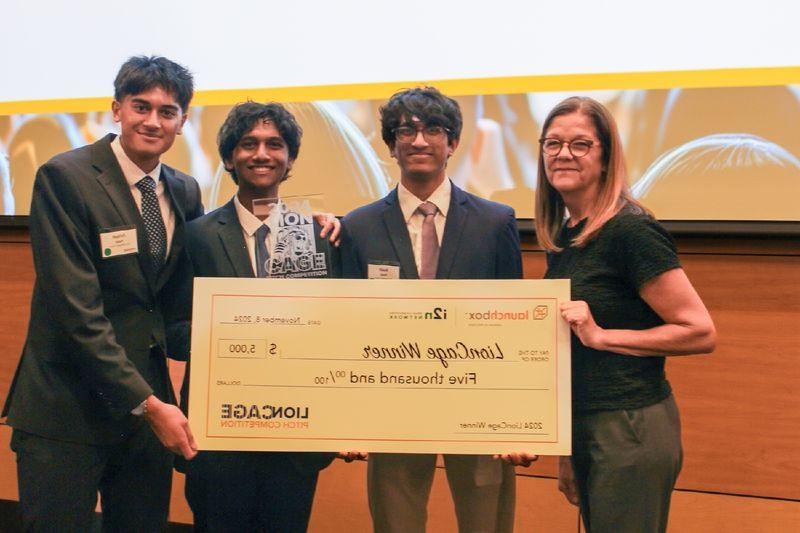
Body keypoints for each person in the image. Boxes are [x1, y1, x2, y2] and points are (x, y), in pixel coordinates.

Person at [1, 56, 202, 532]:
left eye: (167, 111)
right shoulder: (65, 177)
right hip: (66, 411)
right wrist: (151, 405)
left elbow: (176, 305)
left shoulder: (185, 191)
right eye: (141, 106)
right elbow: (76, 313)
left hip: (143, 418)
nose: (153, 121)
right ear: (116, 109)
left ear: (182, 121)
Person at [340, 86, 525, 533]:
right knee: (395, 523)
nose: (419, 141)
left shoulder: (496, 221)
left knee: (487, 523)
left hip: (480, 403)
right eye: (407, 130)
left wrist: (521, 417)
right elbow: (344, 328)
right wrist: (346, 418)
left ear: (454, 142)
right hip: (391, 402)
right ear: (390, 144)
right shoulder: (358, 226)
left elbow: (518, 325)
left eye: (434, 130)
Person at [534, 96, 716, 532]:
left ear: (606, 156)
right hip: (590, 425)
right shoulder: (568, 234)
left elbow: (699, 331)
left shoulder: (631, 230)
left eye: (580, 144)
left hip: (630, 426)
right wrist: (566, 446)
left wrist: (602, 336)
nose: (563, 153)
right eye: (553, 143)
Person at [179, 101, 340, 532]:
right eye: (248, 144)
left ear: (290, 159)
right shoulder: (196, 236)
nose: (262, 153)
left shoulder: (315, 234)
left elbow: (335, 332)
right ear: (230, 157)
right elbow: (174, 329)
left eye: (275, 144)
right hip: (218, 438)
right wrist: (232, 334)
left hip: (295, 438)